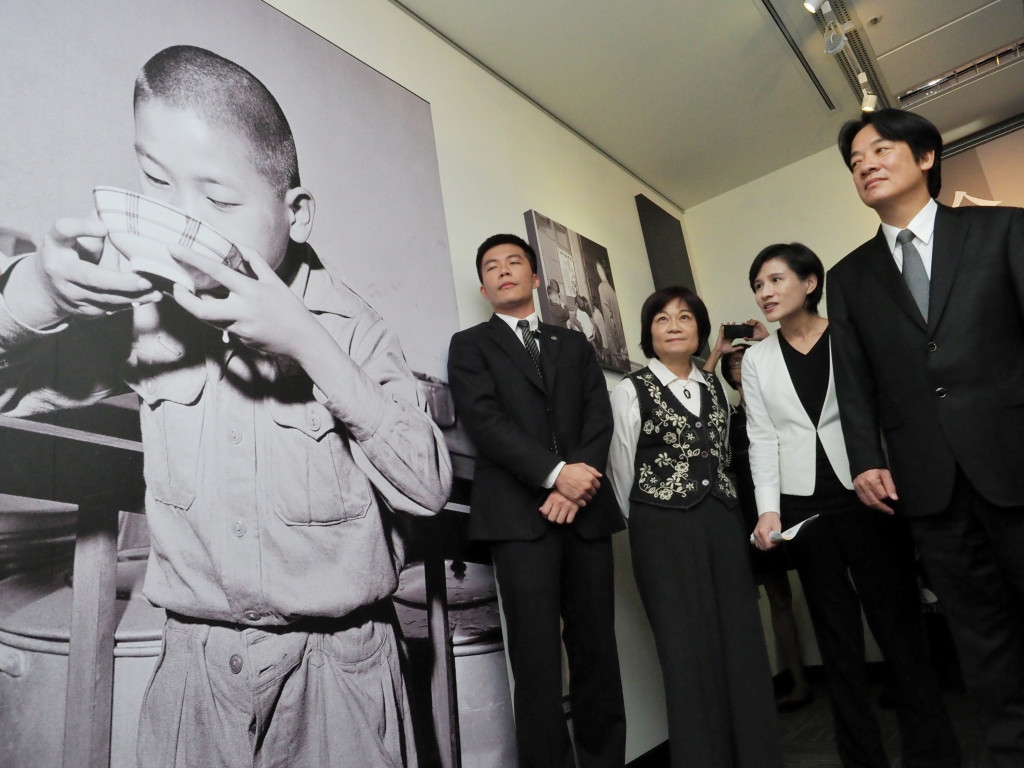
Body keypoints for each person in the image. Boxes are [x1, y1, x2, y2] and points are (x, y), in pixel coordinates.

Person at [0, 45, 452, 768]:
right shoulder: (146, 316)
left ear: (295, 213)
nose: (186, 224)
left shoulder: (351, 327)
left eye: (217, 199)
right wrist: (37, 293)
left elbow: (428, 488)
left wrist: (309, 344)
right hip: (195, 676)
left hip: (338, 672)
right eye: (155, 181)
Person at [829, 107, 1024, 767]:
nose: (866, 165)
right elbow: (853, 381)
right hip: (929, 484)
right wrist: (864, 460)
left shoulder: (1002, 229)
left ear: (925, 157)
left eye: (880, 150)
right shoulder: (849, 277)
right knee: (982, 640)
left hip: (1015, 458)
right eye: (856, 162)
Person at [745, 243, 959, 768]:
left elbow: (887, 408)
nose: (765, 293)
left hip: (866, 492)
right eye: (758, 285)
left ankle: (933, 754)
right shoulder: (755, 359)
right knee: (835, 636)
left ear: (811, 282)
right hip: (804, 507)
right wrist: (768, 510)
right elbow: (762, 438)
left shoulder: (849, 334)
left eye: (775, 280)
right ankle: (862, 758)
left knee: (898, 628)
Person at [447, 234, 626, 768]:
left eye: (514, 262)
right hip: (518, 520)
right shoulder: (470, 345)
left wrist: (576, 486)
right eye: (492, 267)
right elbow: (485, 423)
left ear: (536, 278)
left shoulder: (572, 344)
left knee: (597, 652)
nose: (504, 271)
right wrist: (554, 476)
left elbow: (599, 419)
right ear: (483, 286)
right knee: (536, 659)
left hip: (586, 515)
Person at [608, 286, 783, 768]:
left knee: (741, 640)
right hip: (662, 530)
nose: (674, 325)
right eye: (662, 319)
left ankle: (756, 755)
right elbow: (621, 471)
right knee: (685, 651)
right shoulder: (629, 391)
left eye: (685, 317)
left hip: (723, 524)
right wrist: (654, 513)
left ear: (701, 331)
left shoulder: (713, 387)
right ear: (649, 333)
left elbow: (726, 455)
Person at [703, 332, 813, 712]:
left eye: (743, 359)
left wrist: (770, 344)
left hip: (798, 497)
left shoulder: (780, 399)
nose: (739, 366)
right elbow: (697, 391)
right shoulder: (725, 411)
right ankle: (799, 683)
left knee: (824, 585)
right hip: (752, 511)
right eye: (733, 364)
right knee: (778, 598)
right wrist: (717, 352)